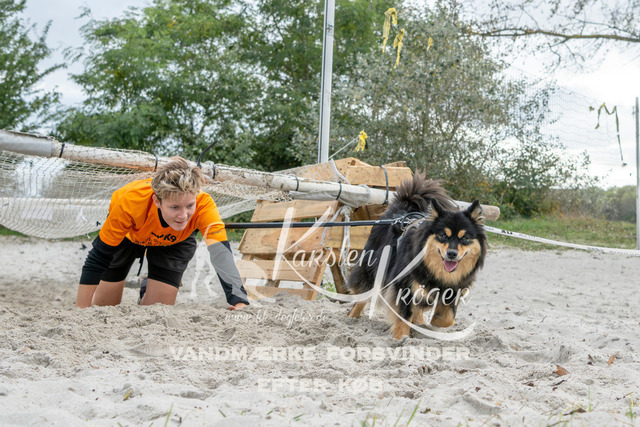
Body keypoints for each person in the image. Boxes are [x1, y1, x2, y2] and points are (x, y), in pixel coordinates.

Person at [75, 157, 249, 310]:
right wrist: (81, 308)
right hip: (128, 237)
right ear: (157, 201)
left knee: (155, 310)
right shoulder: (130, 201)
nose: (183, 215)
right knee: (105, 305)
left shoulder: (204, 205)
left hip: (174, 242)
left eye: (190, 205)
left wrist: (239, 301)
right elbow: (98, 256)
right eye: (174, 207)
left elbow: (221, 254)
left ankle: (147, 286)